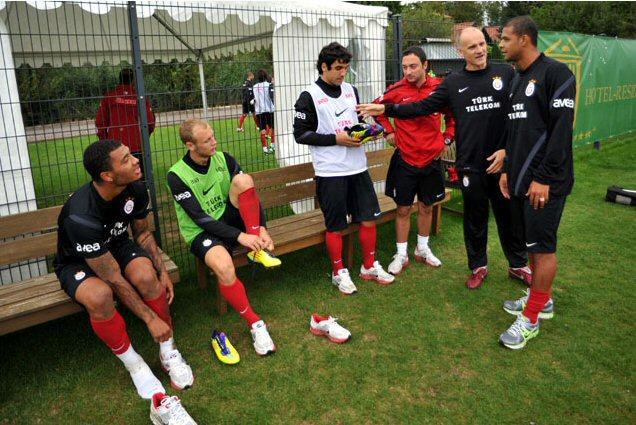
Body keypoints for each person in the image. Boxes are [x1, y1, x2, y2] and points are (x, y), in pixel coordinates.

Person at [357, 27, 532, 289]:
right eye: (472, 47)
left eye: (482, 44)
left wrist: (507, 151)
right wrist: (386, 109)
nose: (480, 50)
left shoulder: (506, 73)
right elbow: (421, 107)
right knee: (474, 218)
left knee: (509, 217)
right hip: (470, 164)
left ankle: (518, 264)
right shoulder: (452, 83)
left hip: (502, 164)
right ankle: (478, 266)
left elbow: (519, 114)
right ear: (460, 52)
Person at [53, 140, 196, 420]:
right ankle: (135, 365)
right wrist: (149, 319)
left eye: (131, 154)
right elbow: (113, 279)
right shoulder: (80, 215)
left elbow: (142, 233)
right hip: (78, 262)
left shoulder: (136, 188)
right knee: (100, 296)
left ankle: (168, 351)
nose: (135, 160)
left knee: (146, 275)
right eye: (126, 159)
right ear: (107, 176)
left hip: (116, 245)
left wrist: (162, 271)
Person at [167, 119, 278, 356]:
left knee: (244, 180)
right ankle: (255, 323)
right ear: (190, 145)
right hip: (202, 232)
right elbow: (199, 218)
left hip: (228, 219)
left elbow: (250, 194)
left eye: (213, 136)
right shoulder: (176, 175)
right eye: (207, 140)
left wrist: (261, 229)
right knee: (225, 268)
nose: (214, 142)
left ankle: (257, 249)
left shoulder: (224, 159)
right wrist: (240, 236)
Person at [497, 16, 575, 349]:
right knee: (532, 245)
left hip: (547, 183)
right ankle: (541, 300)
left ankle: (530, 320)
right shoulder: (517, 78)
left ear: (524, 39)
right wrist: (506, 169)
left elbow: (561, 132)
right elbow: (515, 131)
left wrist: (543, 178)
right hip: (520, 180)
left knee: (543, 249)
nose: (500, 44)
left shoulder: (557, 73)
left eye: (505, 39)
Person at [293, 42, 395, 295]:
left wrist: (367, 131)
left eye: (346, 68)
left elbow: (354, 123)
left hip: (358, 168)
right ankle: (338, 272)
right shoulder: (309, 96)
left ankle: (369, 266)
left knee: (369, 219)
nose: (343, 73)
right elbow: (300, 134)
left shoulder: (351, 90)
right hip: (331, 172)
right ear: (324, 67)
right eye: (338, 68)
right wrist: (336, 139)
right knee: (336, 226)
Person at [373, 46, 456, 275]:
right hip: (406, 159)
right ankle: (401, 254)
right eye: (404, 67)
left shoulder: (439, 88)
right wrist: (389, 132)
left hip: (431, 159)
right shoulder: (396, 90)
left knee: (426, 206)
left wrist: (447, 138)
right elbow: (377, 109)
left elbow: (453, 115)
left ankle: (422, 248)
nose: (408, 72)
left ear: (425, 65)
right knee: (403, 209)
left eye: (413, 66)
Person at [96, 68, 156, 171]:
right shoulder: (139, 97)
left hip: (114, 145)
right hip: (136, 145)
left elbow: (100, 123)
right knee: (137, 175)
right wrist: (143, 138)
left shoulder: (109, 96)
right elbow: (150, 122)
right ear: (133, 80)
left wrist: (105, 141)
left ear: (119, 79)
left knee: (118, 176)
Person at [253, 69, 275, 154]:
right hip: (269, 110)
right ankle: (272, 146)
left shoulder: (255, 87)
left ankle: (265, 149)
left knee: (263, 130)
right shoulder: (269, 85)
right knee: (274, 128)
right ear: (266, 76)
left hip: (259, 111)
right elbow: (272, 97)